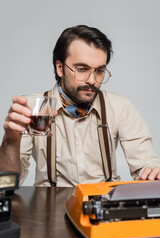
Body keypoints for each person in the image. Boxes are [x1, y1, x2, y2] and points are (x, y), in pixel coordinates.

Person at [0, 25, 160, 187]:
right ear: (60, 68)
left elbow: (146, 164)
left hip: (103, 205)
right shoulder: (33, 108)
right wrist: (10, 141)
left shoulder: (120, 107)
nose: (92, 80)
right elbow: (7, 184)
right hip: (48, 206)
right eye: (82, 69)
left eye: (99, 71)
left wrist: (152, 172)